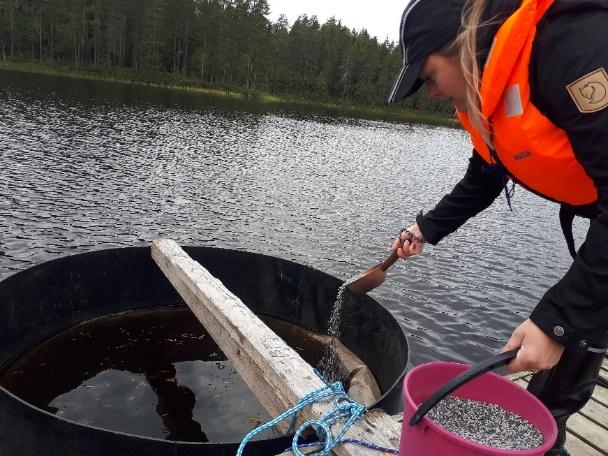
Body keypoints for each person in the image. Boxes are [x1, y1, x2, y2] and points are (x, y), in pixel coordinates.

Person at [387, 0, 608, 454]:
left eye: (427, 77)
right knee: (561, 373)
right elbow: (486, 174)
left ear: (460, 45)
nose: (429, 93)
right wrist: (427, 228)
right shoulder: (491, 94)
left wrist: (558, 322)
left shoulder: (572, 46)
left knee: (568, 331)